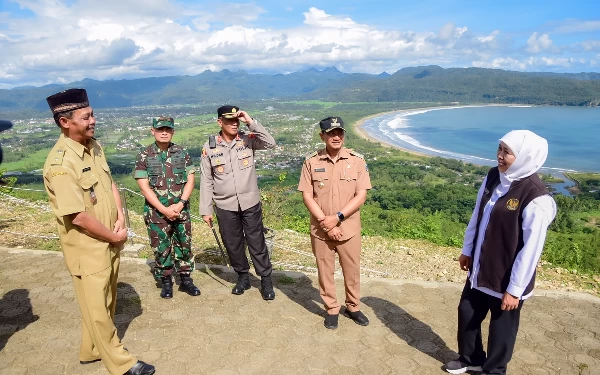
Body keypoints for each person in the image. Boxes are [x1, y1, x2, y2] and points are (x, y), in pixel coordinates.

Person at [42, 88, 154, 375]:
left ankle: (90, 350)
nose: (94, 119)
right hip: (88, 247)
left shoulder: (93, 146)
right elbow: (78, 217)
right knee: (98, 311)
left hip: (108, 237)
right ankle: (121, 364)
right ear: (65, 122)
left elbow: (110, 184)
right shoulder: (60, 165)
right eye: (87, 116)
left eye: (92, 114)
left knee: (105, 301)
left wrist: (120, 219)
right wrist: (113, 236)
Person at [444, 130, 557, 375]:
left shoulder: (536, 198)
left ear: (526, 157)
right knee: (467, 312)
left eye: (507, 152)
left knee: (501, 327)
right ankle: (471, 358)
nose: (499, 156)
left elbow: (531, 250)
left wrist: (515, 290)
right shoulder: (494, 176)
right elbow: (478, 213)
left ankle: (494, 370)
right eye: (500, 149)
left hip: (508, 277)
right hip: (481, 266)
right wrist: (467, 249)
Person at [297, 116, 372, 330]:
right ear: (323, 136)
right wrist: (325, 222)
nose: (336, 137)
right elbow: (307, 196)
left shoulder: (356, 160)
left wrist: (337, 218)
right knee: (325, 270)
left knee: (352, 270)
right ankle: (331, 308)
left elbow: (361, 195)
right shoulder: (311, 161)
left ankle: (353, 306)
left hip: (349, 228)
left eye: (340, 132)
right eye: (331, 133)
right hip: (321, 230)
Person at [200, 105, 277, 300]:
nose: (234, 124)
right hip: (225, 205)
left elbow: (270, 143)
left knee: (256, 242)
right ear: (220, 122)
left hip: (250, 202)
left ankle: (266, 280)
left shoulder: (248, 139)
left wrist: (250, 121)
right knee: (233, 244)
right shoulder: (210, 147)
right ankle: (242, 277)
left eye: (236, 120)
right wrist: (206, 209)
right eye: (229, 121)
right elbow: (206, 180)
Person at [134, 116, 200, 299]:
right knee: (161, 247)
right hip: (156, 212)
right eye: (160, 129)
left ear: (173, 132)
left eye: (168, 129)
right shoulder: (144, 155)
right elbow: (144, 186)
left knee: (184, 245)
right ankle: (166, 282)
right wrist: (163, 210)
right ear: (152, 131)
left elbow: (190, 180)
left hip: (181, 210)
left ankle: (186, 280)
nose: (164, 132)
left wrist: (180, 204)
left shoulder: (182, 153)